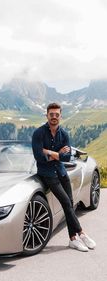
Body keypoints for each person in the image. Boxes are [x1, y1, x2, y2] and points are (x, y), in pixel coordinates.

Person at [32, 102, 96, 252]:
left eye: (57, 114)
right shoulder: (38, 133)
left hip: (62, 173)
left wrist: (50, 152)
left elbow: (67, 158)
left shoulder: (64, 134)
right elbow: (38, 157)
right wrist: (58, 154)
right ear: (47, 115)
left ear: (61, 116)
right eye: (51, 114)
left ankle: (72, 239)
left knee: (70, 204)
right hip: (48, 175)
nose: (54, 117)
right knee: (67, 203)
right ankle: (82, 233)